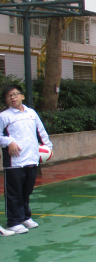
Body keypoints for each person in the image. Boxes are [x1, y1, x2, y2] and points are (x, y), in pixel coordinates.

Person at [0, 85, 53, 236]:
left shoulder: (31, 113)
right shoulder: (4, 116)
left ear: (22, 96)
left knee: (26, 190)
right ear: (6, 100)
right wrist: (9, 142)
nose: (13, 97)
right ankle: (13, 222)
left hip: (32, 159)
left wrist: (48, 147)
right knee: (14, 192)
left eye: (15, 94)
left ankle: (25, 217)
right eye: (9, 96)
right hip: (14, 161)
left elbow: (41, 131)